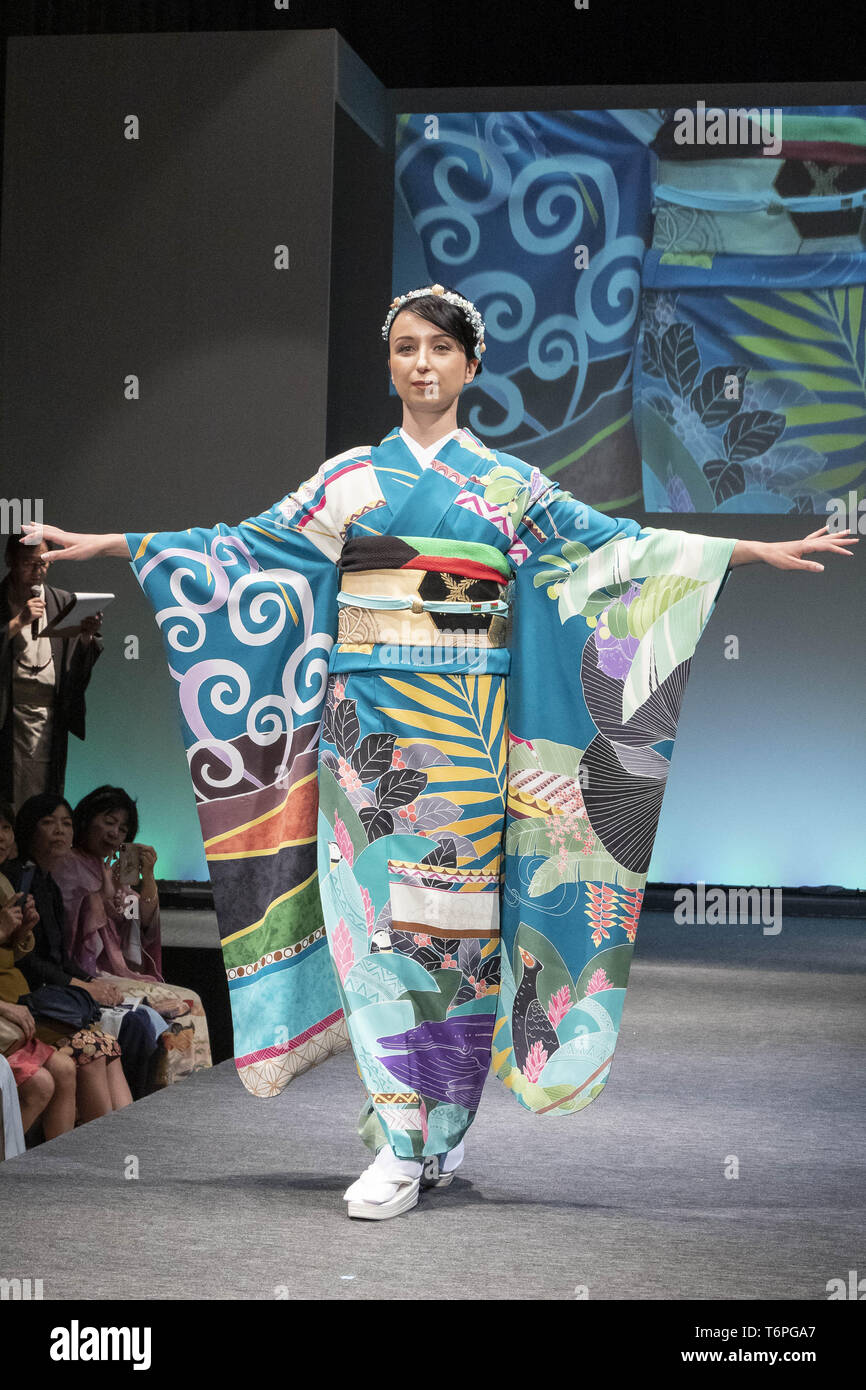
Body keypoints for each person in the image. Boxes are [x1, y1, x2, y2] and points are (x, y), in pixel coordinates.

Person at [22, 284, 858, 1220]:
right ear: (392, 362)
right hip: (364, 750)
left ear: (472, 364)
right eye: (405, 348)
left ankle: (440, 1136)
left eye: (440, 349)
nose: (421, 364)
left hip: (466, 749)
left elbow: (618, 554)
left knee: (456, 952)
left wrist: (750, 552)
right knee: (380, 941)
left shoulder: (509, 488)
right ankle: (399, 1138)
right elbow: (237, 550)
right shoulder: (349, 482)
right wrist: (103, 544)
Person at [51, 784, 212, 1086]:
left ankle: (184, 1090)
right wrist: (99, 897)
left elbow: (140, 920)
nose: (115, 834)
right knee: (186, 1003)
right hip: (89, 973)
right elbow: (71, 927)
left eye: (123, 829)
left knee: (189, 1000)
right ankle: (177, 1091)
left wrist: (147, 876)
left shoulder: (104, 868)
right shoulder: (67, 864)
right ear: (86, 819)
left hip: (112, 971)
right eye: (109, 822)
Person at [3, 795, 133, 1121]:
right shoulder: (18, 879)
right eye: (48, 822)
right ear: (28, 830)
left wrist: (88, 982)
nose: (60, 831)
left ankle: (128, 1143)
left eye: (65, 823)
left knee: (106, 1043)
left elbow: (43, 953)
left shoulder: (45, 881)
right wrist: (84, 986)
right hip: (27, 998)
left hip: (32, 993)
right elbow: (27, 961)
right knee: (92, 1047)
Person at [0, 534, 103, 810]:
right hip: (8, 715)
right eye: (28, 563)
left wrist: (86, 637)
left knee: (44, 796)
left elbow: (78, 663)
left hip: (49, 718)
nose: (37, 571)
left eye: (43, 563)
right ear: (10, 561)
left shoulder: (62, 602)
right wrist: (18, 621)